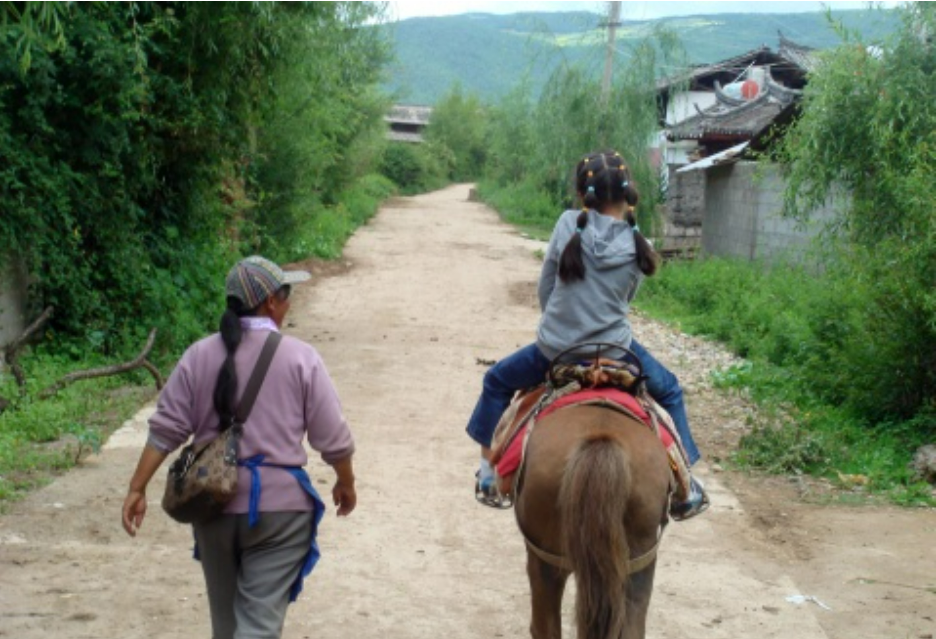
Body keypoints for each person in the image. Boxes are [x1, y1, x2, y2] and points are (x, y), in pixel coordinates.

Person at [121, 255, 357, 638]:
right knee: (258, 627)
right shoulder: (301, 357)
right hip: (281, 514)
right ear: (270, 303)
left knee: (227, 627)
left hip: (212, 505)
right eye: (286, 294)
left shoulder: (198, 355)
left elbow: (166, 429)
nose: (289, 302)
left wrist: (137, 487)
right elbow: (333, 436)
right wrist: (345, 481)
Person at [465, 150, 708, 520]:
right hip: (616, 351)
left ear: (584, 195)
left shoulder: (567, 225)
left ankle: (486, 475)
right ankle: (686, 482)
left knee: (496, 380)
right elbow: (626, 299)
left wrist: (562, 323)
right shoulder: (640, 244)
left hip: (555, 350)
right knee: (670, 390)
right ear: (629, 194)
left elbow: (546, 287)